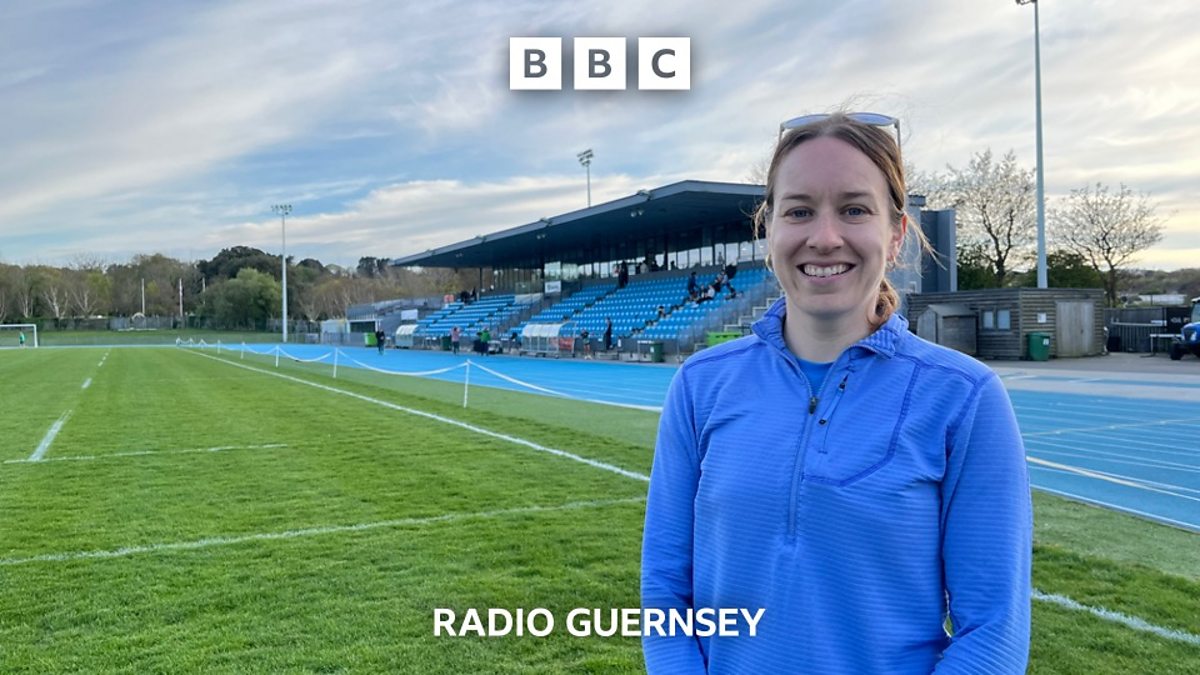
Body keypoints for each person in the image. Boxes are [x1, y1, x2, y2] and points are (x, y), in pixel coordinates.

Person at [641, 112, 1031, 674]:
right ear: (769, 230)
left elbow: (993, 631)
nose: (824, 238)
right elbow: (665, 592)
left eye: (854, 209)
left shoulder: (964, 397)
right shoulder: (701, 384)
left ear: (896, 234)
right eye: (799, 211)